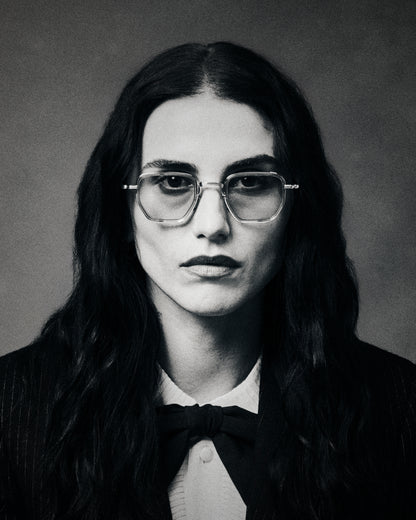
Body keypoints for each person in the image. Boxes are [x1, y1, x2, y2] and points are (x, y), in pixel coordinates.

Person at [0, 41, 415, 520]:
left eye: (251, 182)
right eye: (174, 182)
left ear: (297, 211)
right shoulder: (10, 412)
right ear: (121, 211)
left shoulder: (400, 407)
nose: (213, 224)